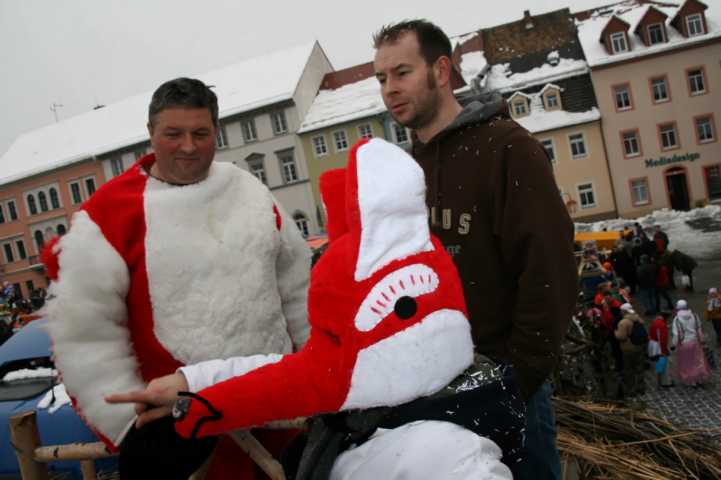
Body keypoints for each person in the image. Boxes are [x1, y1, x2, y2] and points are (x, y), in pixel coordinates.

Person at [44, 78, 311, 480]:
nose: (188, 146)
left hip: (277, 415)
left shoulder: (250, 190)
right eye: (174, 134)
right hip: (184, 439)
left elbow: (297, 290)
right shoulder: (110, 214)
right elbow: (86, 334)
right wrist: (128, 425)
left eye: (200, 133)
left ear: (215, 133)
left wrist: (319, 374)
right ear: (151, 133)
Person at [372, 20, 577, 479]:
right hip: (430, 386)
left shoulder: (508, 149)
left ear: (441, 70)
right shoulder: (404, 170)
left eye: (402, 73)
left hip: (506, 381)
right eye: (381, 78)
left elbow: (550, 271)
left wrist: (517, 379)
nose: (389, 89)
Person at [671, 300, 711, 387]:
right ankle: (699, 379)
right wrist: (702, 340)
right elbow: (699, 329)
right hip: (695, 341)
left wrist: (673, 345)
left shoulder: (677, 319)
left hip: (684, 343)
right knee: (697, 361)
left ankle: (691, 381)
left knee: (687, 364)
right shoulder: (694, 316)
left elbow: (676, 334)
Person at [614, 303, 646, 397]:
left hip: (629, 348)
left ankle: (631, 390)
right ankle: (641, 388)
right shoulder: (637, 318)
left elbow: (621, 337)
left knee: (629, 370)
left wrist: (615, 332)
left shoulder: (624, 322)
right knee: (639, 368)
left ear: (624, 311)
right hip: (639, 346)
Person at [648, 314, 672, 388]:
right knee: (663, 365)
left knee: (658, 364)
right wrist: (664, 350)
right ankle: (664, 382)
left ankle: (659, 382)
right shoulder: (661, 325)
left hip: (653, 345)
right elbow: (662, 339)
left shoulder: (655, 322)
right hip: (659, 347)